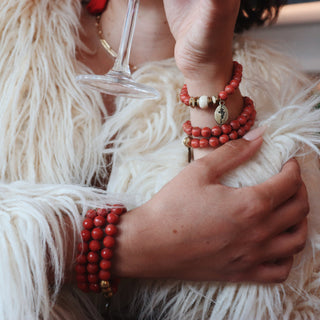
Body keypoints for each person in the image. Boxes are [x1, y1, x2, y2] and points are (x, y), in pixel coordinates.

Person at [0, 0, 319, 319]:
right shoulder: (10, 31)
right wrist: (134, 242)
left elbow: (254, 276)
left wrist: (207, 67)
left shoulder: (280, 91)